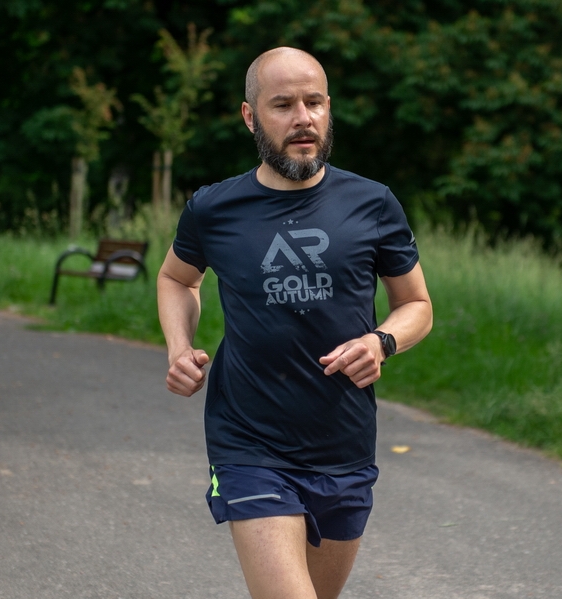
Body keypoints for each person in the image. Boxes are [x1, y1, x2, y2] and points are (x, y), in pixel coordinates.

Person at [157, 46, 433, 599]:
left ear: (329, 109)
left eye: (314, 103)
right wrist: (178, 347)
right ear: (250, 116)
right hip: (249, 444)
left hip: (344, 445)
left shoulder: (373, 204)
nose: (302, 118)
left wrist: (382, 342)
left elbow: (418, 306)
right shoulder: (214, 209)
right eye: (283, 104)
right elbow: (177, 279)